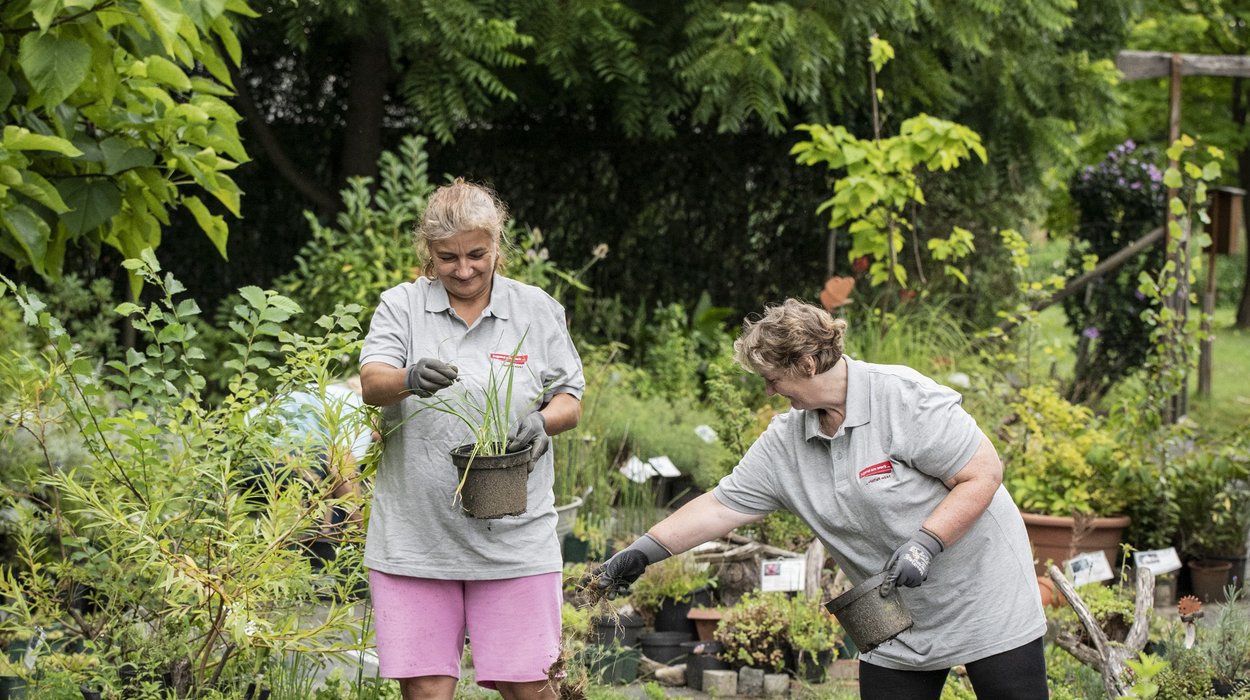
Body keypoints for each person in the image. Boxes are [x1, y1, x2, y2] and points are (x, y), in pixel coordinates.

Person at [593, 299, 1047, 700]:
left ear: (807, 363)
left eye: (772, 378)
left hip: (984, 595)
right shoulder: (786, 442)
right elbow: (718, 506)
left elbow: (983, 474)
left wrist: (926, 543)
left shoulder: (902, 398)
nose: (768, 390)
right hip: (893, 614)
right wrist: (640, 553)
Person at [359, 179, 584, 700]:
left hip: (514, 538)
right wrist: (409, 377)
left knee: (529, 684)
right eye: (448, 258)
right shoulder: (402, 306)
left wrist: (543, 421)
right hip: (417, 537)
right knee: (427, 689)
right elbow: (372, 382)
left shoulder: (535, 308)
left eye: (476, 255)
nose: (463, 270)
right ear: (429, 253)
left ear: (497, 245)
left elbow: (569, 398)